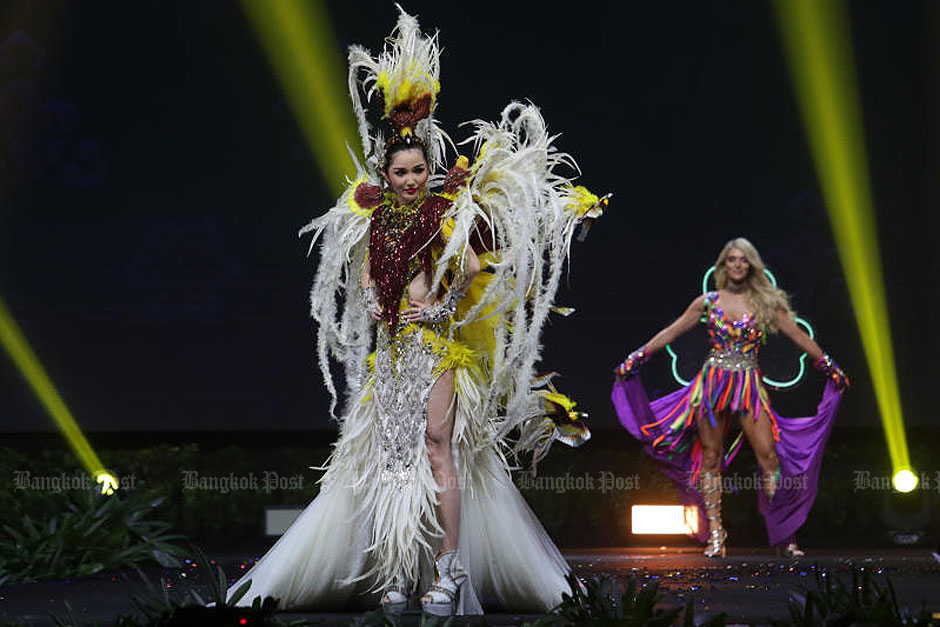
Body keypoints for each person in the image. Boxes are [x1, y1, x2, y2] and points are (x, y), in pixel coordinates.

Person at [226, 8, 604, 616]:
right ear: (386, 172)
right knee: (392, 458)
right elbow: (370, 289)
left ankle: (449, 570)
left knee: (438, 447)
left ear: (429, 169)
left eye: (419, 169)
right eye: (400, 171)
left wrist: (532, 242)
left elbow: (480, 264)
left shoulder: (450, 215)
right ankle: (397, 570)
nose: (410, 178)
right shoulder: (373, 223)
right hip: (393, 355)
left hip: (438, 350)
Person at [611, 238, 849, 558]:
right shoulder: (707, 302)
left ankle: (784, 535)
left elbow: (798, 336)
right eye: (731, 260)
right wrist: (636, 357)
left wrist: (830, 366)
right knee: (710, 458)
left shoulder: (765, 304)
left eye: (743, 260)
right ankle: (716, 537)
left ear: (751, 266)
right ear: (723, 265)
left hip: (749, 386)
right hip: (712, 386)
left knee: (769, 458)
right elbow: (672, 332)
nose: (737, 265)